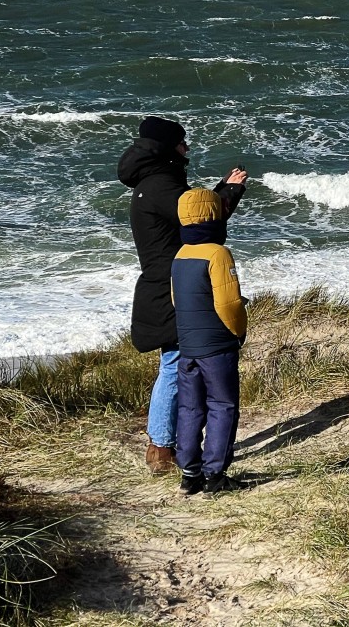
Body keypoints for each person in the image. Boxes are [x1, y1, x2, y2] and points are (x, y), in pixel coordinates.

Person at [117, 117, 247, 474]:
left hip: (167, 282)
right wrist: (230, 191)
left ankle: (170, 443)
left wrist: (222, 188)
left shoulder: (155, 182)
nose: (187, 148)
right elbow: (202, 223)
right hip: (173, 286)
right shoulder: (161, 185)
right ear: (168, 147)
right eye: (182, 143)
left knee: (175, 363)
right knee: (174, 363)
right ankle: (160, 447)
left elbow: (196, 215)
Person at [171, 188, 248, 496]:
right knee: (222, 405)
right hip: (216, 346)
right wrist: (238, 332)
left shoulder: (180, 254)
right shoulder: (218, 253)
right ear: (215, 214)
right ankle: (215, 475)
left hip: (187, 347)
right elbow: (228, 305)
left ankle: (189, 474)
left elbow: (177, 301)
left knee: (190, 408)